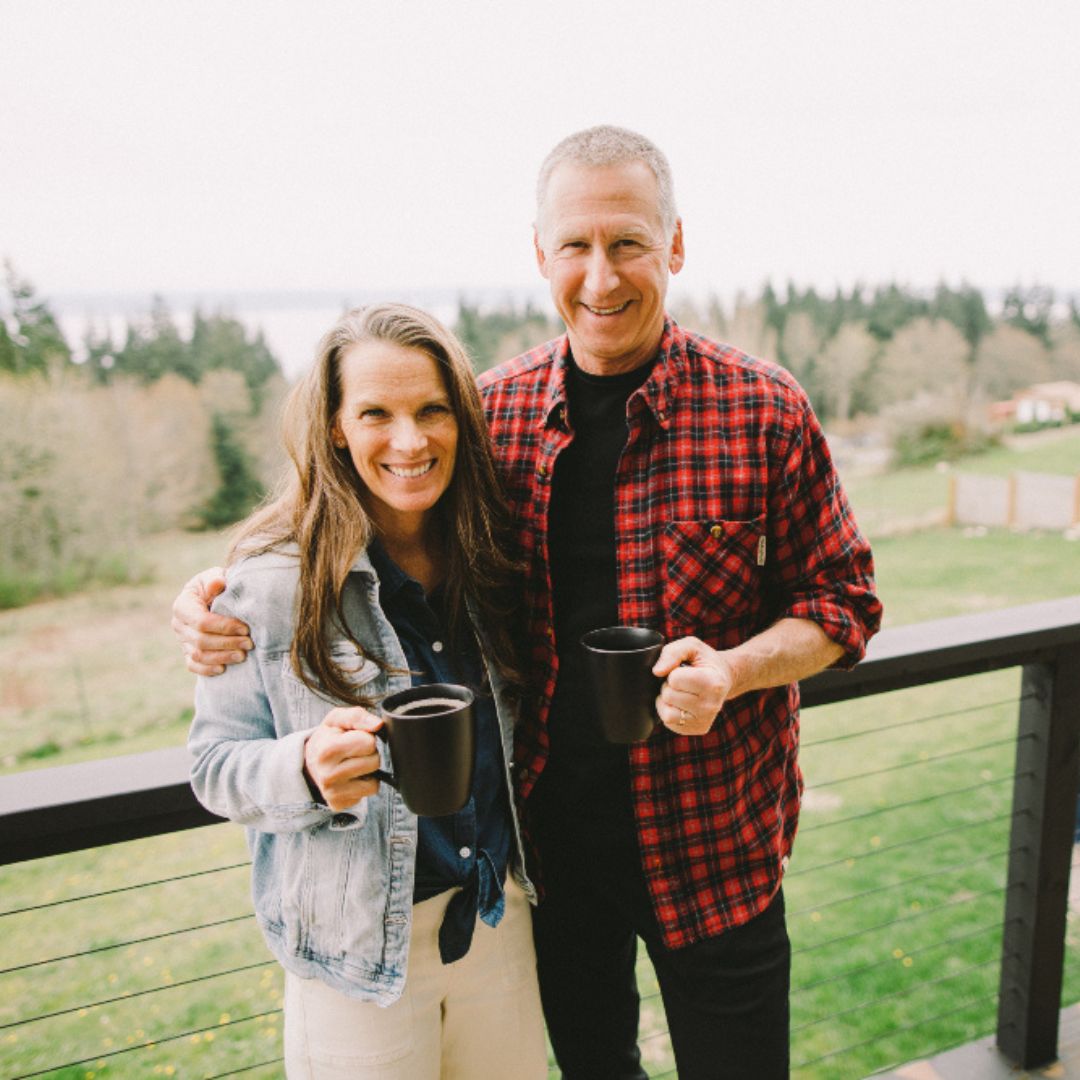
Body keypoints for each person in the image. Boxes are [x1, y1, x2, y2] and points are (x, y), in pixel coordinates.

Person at [176, 126, 882, 1079]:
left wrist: (735, 668)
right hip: (548, 864)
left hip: (717, 844)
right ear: (539, 255)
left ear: (675, 245)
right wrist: (221, 594)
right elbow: (361, 506)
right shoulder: (490, 414)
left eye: (628, 241)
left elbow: (845, 605)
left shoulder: (764, 408)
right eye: (575, 247)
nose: (601, 277)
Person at [186, 303, 547, 1080]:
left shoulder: (495, 555)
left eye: (432, 411)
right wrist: (305, 771)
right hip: (355, 956)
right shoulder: (272, 582)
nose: (410, 441)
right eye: (376, 413)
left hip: (497, 920)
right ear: (337, 427)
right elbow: (214, 764)